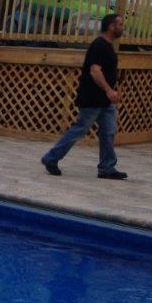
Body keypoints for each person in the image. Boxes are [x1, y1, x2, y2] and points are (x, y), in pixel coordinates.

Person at [41, 13, 128, 180]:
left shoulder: (108, 46)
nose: (122, 28)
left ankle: (107, 167)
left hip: (105, 101)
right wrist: (109, 90)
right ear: (111, 27)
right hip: (93, 97)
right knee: (80, 129)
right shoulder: (99, 45)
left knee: (109, 132)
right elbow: (95, 71)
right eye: (120, 25)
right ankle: (51, 158)